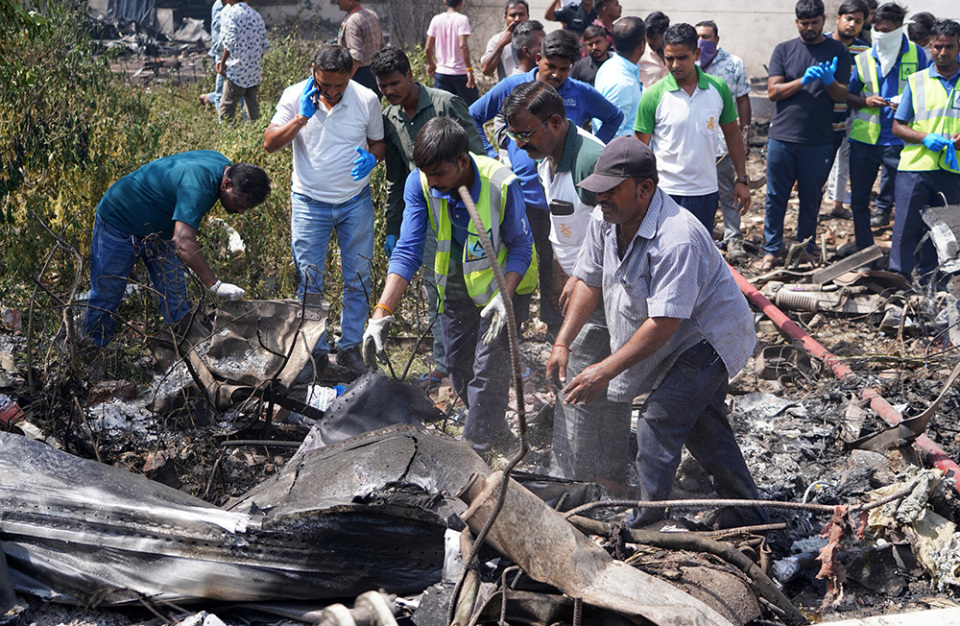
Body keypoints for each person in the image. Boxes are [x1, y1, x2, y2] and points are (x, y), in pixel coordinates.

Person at [545, 137, 767, 530]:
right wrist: (563, 342)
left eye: (611, 191)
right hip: (678, 336)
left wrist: (604, 371)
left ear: (645, 189)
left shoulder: (676, 237)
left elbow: (663, 323)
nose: (601, 199)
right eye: (598, 191)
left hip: (709, 337)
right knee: (704, 427)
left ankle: (646, 521)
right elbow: (589, 281)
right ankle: (751, 513)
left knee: (657, 422)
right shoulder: (604, 220)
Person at [362, 117, 537, 454]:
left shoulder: (501, 183)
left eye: (439, 174)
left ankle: (473, 452)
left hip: (503, 289)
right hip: (455, 286)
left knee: (488, 371)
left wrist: (505, 297)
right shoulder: (421, 182)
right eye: (427, 174)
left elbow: (521, 246)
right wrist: (381, 314)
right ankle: (496, 432)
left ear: (462, 161)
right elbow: (408, 250)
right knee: (458, 367)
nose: (432, 182)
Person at [503, 81, 632, 491]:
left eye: (526, 133)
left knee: (574, 379)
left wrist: (582, 279)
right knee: (604, 382)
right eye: (513, 135)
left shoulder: (590, 162)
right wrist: (565, 272)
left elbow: (617, 236)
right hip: (583, 285)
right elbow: (570, 228)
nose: (519, 144)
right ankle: (610, 475)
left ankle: (568, 483)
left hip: (606, 289)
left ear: (556, 122)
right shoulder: (549, 157)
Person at [471, 29, 623, 337]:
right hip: (525, 193)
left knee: (561, 256)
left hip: (567, 197)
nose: (555, 74)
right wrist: (492, 156)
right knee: (522, 256)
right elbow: (472, 116)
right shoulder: (515, 87)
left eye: (563, 69)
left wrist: (590, 148)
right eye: (550, 66)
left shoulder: (580, 94)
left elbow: (613, 117)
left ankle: (558, 322)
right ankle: (516, 323)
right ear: (537, 58)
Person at [264, 44, 385, 376]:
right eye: (324, 84)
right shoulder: (294, 97)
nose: (331, 92)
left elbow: (379, 142)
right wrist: (301, 118)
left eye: (339, 85)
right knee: (310, 282)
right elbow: (270, 143)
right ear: (313, 71)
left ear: (351, 75)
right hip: (309, 204)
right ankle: (314, 353)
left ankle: (349, 349)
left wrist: (373, 157)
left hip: (354, 202)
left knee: (358, 278)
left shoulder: (366, 99)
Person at [373, 46, 486, 391]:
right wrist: (394, 225)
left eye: (394, 83)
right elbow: (396, 177)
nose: (389, 91)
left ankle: (485, 359)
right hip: (425, 210)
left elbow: (478, 157)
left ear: (410, 75)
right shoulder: (390, 118)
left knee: (477, 284)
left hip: (465, 209)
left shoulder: (445, 104)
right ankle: (444, 363)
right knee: (436, 288)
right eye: (382, 86)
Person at [82, 151, 270, 347]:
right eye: (240, 203)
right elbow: (182, 242)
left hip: (162, 231)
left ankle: (184, 351)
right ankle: (92, 352)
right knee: (106, 296)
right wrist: (215, 285)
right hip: (119, 220)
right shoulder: (198, 187)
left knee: (177, 298)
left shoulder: (227, 168)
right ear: (227, 184)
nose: (241, 211)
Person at [634, 23, 751, 234]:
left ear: (696, 53)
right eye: (669, 58)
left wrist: (742, 179)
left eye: (682, 58)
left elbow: (733, 135)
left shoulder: (718, 88)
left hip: (705, 192)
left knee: (699, 247)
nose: (675, 65)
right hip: (665, 192)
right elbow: (640, 148)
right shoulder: (653, 95)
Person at [761, 0, 850, 271]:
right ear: (796, 22)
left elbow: (842, 95)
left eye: (814, 22)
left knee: (811, 198)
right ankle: (771, 250)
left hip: (818, 139)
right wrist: (803, 81)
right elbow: (773, 92)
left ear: (824, 20)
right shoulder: (784, 49)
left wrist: (828, 81)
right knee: (776, 196)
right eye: (804, 23)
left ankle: (805, 248)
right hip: (782, 136)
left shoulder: (838, 50)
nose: (809, 28)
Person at [847, 2, 928, 249]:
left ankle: (901, 253)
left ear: (899, 28)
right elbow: (849, 95)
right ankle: (865, 249)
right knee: (859, 201)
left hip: (901, 141)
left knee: (906, 201)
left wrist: (906, 105)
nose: (881, 35)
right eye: (877, 30)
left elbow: (928, 91)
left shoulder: (917, 55)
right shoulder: (864, 58)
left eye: (887, 30)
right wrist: (866, 101)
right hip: (865, 140)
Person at [889, 19, 960, 281]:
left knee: (944, 231)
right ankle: (897, 280)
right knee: (905, 228)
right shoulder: (917, 81)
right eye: (937, 47)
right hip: (916, 167)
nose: (942, 52)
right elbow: (898, 126)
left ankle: (935, 282)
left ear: (958, 47)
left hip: (952, 169)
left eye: (949, 47)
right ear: (930, 46)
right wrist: (925, 137)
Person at [696, 20, 752, 261]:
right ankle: (702, 238)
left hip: (724, 143)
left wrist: (745, 133)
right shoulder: (689, 64)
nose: (701, 42)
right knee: (699, 194)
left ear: (716, 40)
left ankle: (733, 238)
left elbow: (743, 99)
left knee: (729, 192)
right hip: (696, 142)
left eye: (706, 37)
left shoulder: (733, 64)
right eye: (698, 37)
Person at [824, 0, 870, 218]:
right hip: (822, 112)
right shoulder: (822, 43)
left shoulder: (864, 52)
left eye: (858, 21)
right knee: (818, 160)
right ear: (838, 19)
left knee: (843, 157)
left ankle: (838, 203)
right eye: (848, 19)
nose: (852, 24)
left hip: (850, 112)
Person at [217, 0, 269, 122]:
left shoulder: (231, 14)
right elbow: (265, 44)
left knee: (227, 110)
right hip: (253, 73)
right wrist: (255, 62)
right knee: (253, 110)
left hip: (236, 71)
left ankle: (228, 133)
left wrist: (222, 62)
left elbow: (229, 41)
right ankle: (256, 132)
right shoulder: (256, 15)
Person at [594, 16, 645, 139]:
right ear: (642, 45)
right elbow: (614, 137)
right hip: (625, 151)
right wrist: (646, 131)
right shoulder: (621, 83)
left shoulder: (610, 65)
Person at [426, 0, 478, 105]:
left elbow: (428, 47)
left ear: (445, 2)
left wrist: (431, 63)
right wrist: (469, 69)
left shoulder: (436, 19)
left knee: (442, 107)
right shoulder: (462, 19)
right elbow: (462, 45)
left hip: (441, 73)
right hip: (460, 73)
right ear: (461, 3)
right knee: (469, 107)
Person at [336, 0, 384, 97]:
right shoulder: (371, 15)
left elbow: (355, 56)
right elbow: (381, 45)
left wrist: (344, 81)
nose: (337, 1)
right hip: (376, 72)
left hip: (359, 74)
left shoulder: (353, 21)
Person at [480, 0, 529, 82]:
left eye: (521, 14)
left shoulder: (537, 38)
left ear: (528, 16)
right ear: (505, 18)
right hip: (509, 89)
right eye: (512, 15)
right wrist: (501, 44)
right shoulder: (497, 40)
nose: (517, 19)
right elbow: (486, 70)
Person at [200, 0, 224, 109]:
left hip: (227, 51)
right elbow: (218, 26)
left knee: (233, 87)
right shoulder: (221, 4)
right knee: (223, 89)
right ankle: (221, 119)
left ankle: (209, 98)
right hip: (222, 52)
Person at [638, 11, 670, 88]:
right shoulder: (639, 54)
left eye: (654, 38)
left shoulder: (673, 53)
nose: (650, 41)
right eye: (647, 37)